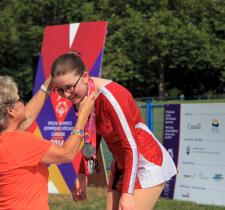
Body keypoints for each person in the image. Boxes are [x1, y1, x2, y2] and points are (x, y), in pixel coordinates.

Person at [51, 51, 177, 210]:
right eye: (60, 90)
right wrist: (83, 174)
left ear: (84, 76)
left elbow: (132, 146)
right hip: (121, 163)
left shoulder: (112, 97)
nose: (66, 95)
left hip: (146, 161)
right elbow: (92, 137)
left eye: (69, 87)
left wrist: (128, 193)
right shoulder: (82, 96)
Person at [0, 75, 95, 210]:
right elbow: (66, 154)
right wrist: (83, 116)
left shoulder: (5, 139)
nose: (23, 103)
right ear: (10, 110)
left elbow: (25, 119)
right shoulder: (21, 142)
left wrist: (46, 87)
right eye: (20, 99)